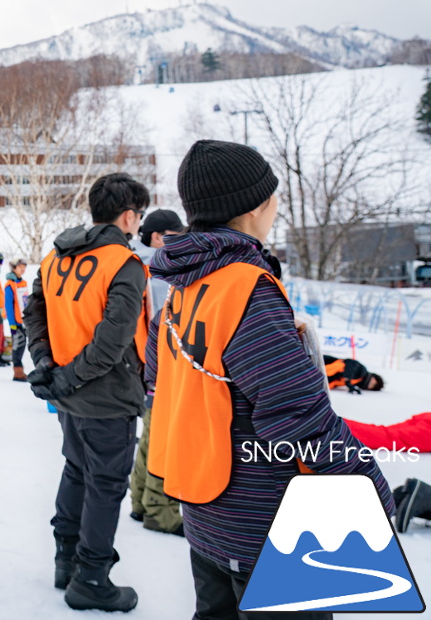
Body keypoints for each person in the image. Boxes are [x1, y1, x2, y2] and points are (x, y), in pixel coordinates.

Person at [146, 140, 394, 620]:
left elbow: (161, 373)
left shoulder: (185, 284)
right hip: (269, 527)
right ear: (255, 207)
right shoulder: (245, 288)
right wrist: (368, 493)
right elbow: (300, 420)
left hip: (206, 513)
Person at [26, 172, 151, 612]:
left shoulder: (55, 256)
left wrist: (45, 363)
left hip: (69, 390)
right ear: (130, 216)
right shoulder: (125, 263)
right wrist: (62, 375)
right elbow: (112, 341)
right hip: (106, 394)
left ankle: (67, 560)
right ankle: (92, 576)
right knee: (105, 483)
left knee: (77, 470)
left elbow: (34, 313)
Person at [127, 208, 185, 534]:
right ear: (159, 237)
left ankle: (139, 500)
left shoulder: (134, 261)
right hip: (160, 366)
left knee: (150, 437)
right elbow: (167, 321)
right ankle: (160, 510)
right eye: (176, 234)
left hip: (141, 365)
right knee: (164, 437)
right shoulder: (159, 270)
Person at [4, 258, 28, 381]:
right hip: (16, 322)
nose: (23, 269)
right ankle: (17, 372)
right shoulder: (10, 285)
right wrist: (12, 323)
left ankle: (20, 370)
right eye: (20, 267)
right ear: (14, 268)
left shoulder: (23, 283)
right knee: (17, 345)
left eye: (24, 267)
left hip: (24, 320)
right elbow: (8, 305)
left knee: (23, 345)